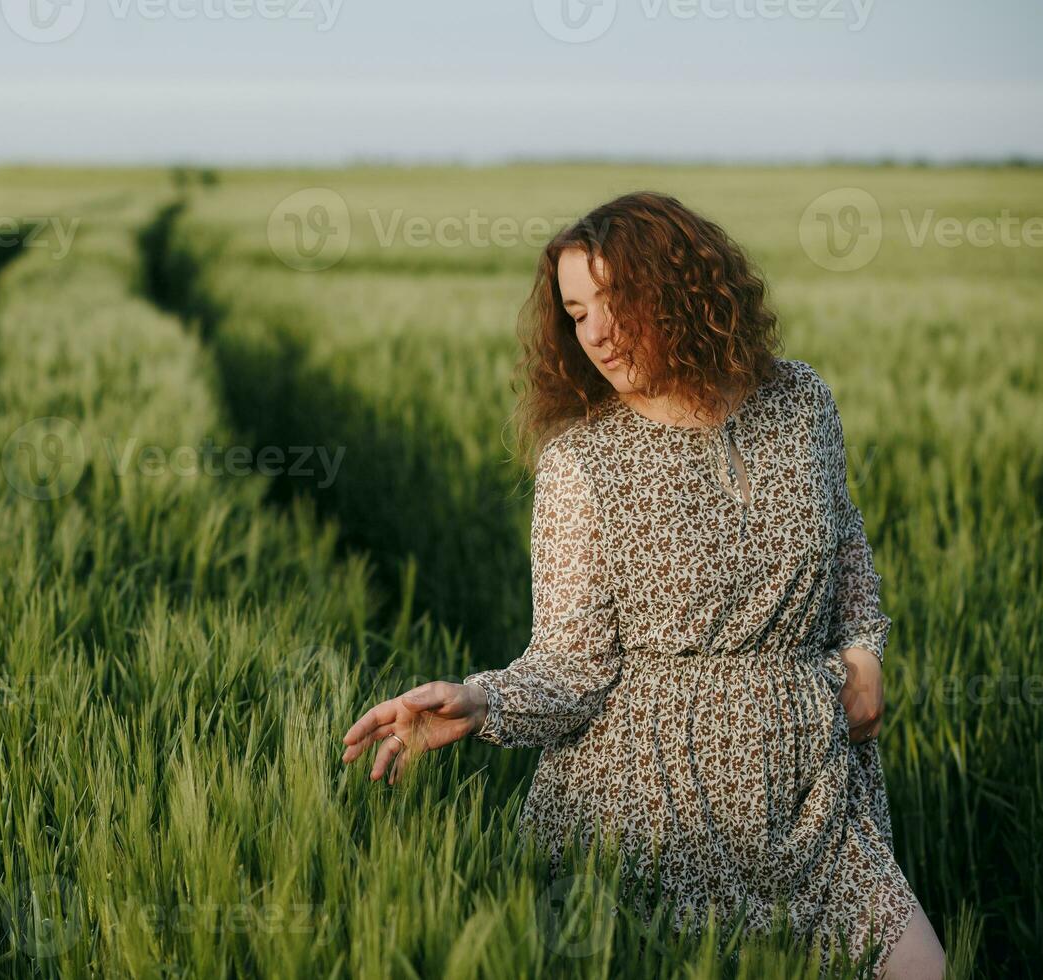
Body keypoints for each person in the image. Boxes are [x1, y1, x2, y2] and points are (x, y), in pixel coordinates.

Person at [339, 192, 946, 978]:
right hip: (654, 805)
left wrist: (864, 652)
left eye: (613, 301)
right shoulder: (582, 463)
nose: (593, 332)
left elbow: (846, 540)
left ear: (684, 290)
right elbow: (572, 664)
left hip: (814, 785)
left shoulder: (801, 401)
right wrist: (481, 701)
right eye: (575, 310)